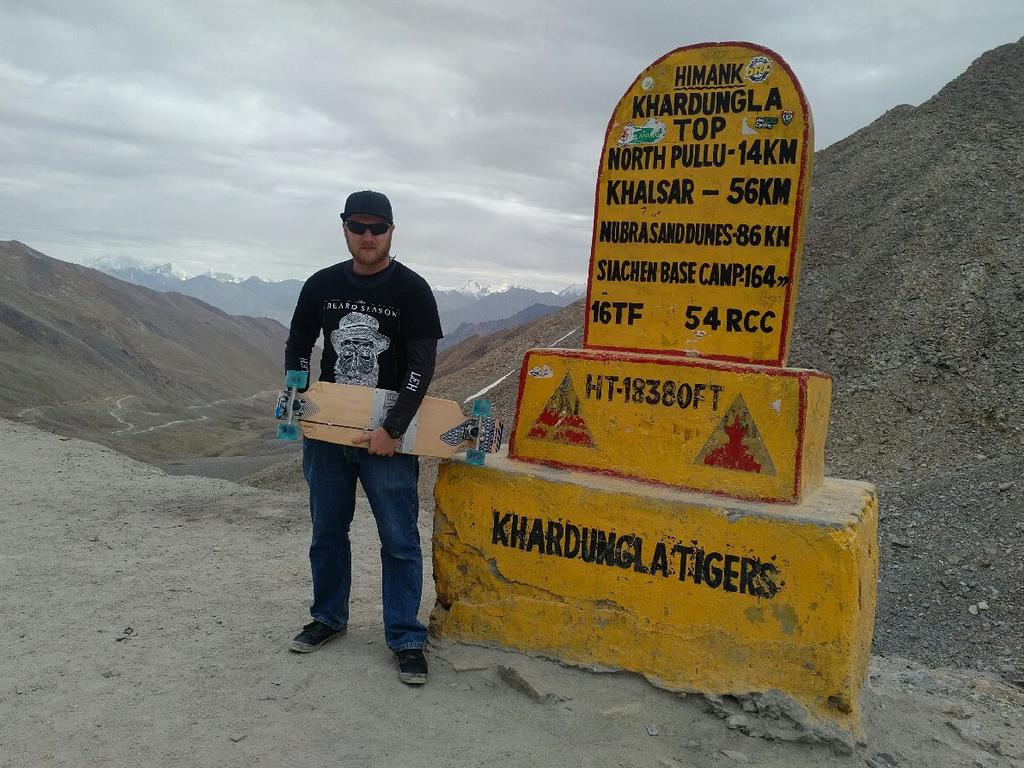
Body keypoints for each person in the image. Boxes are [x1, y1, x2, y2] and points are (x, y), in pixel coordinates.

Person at [283, 190, 442, 685]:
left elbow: (421, 367)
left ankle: (406, 637)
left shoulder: (412, 289)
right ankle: (328, 617)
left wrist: (392, 430)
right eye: (358, 226)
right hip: (326, 434)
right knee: (327, 531)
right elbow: (298, 343)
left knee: (399, 539)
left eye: (377, 227)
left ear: (392, 231)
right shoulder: (322, 284)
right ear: (345, 229)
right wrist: (298, 394)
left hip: (386, 441)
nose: (367, 236)